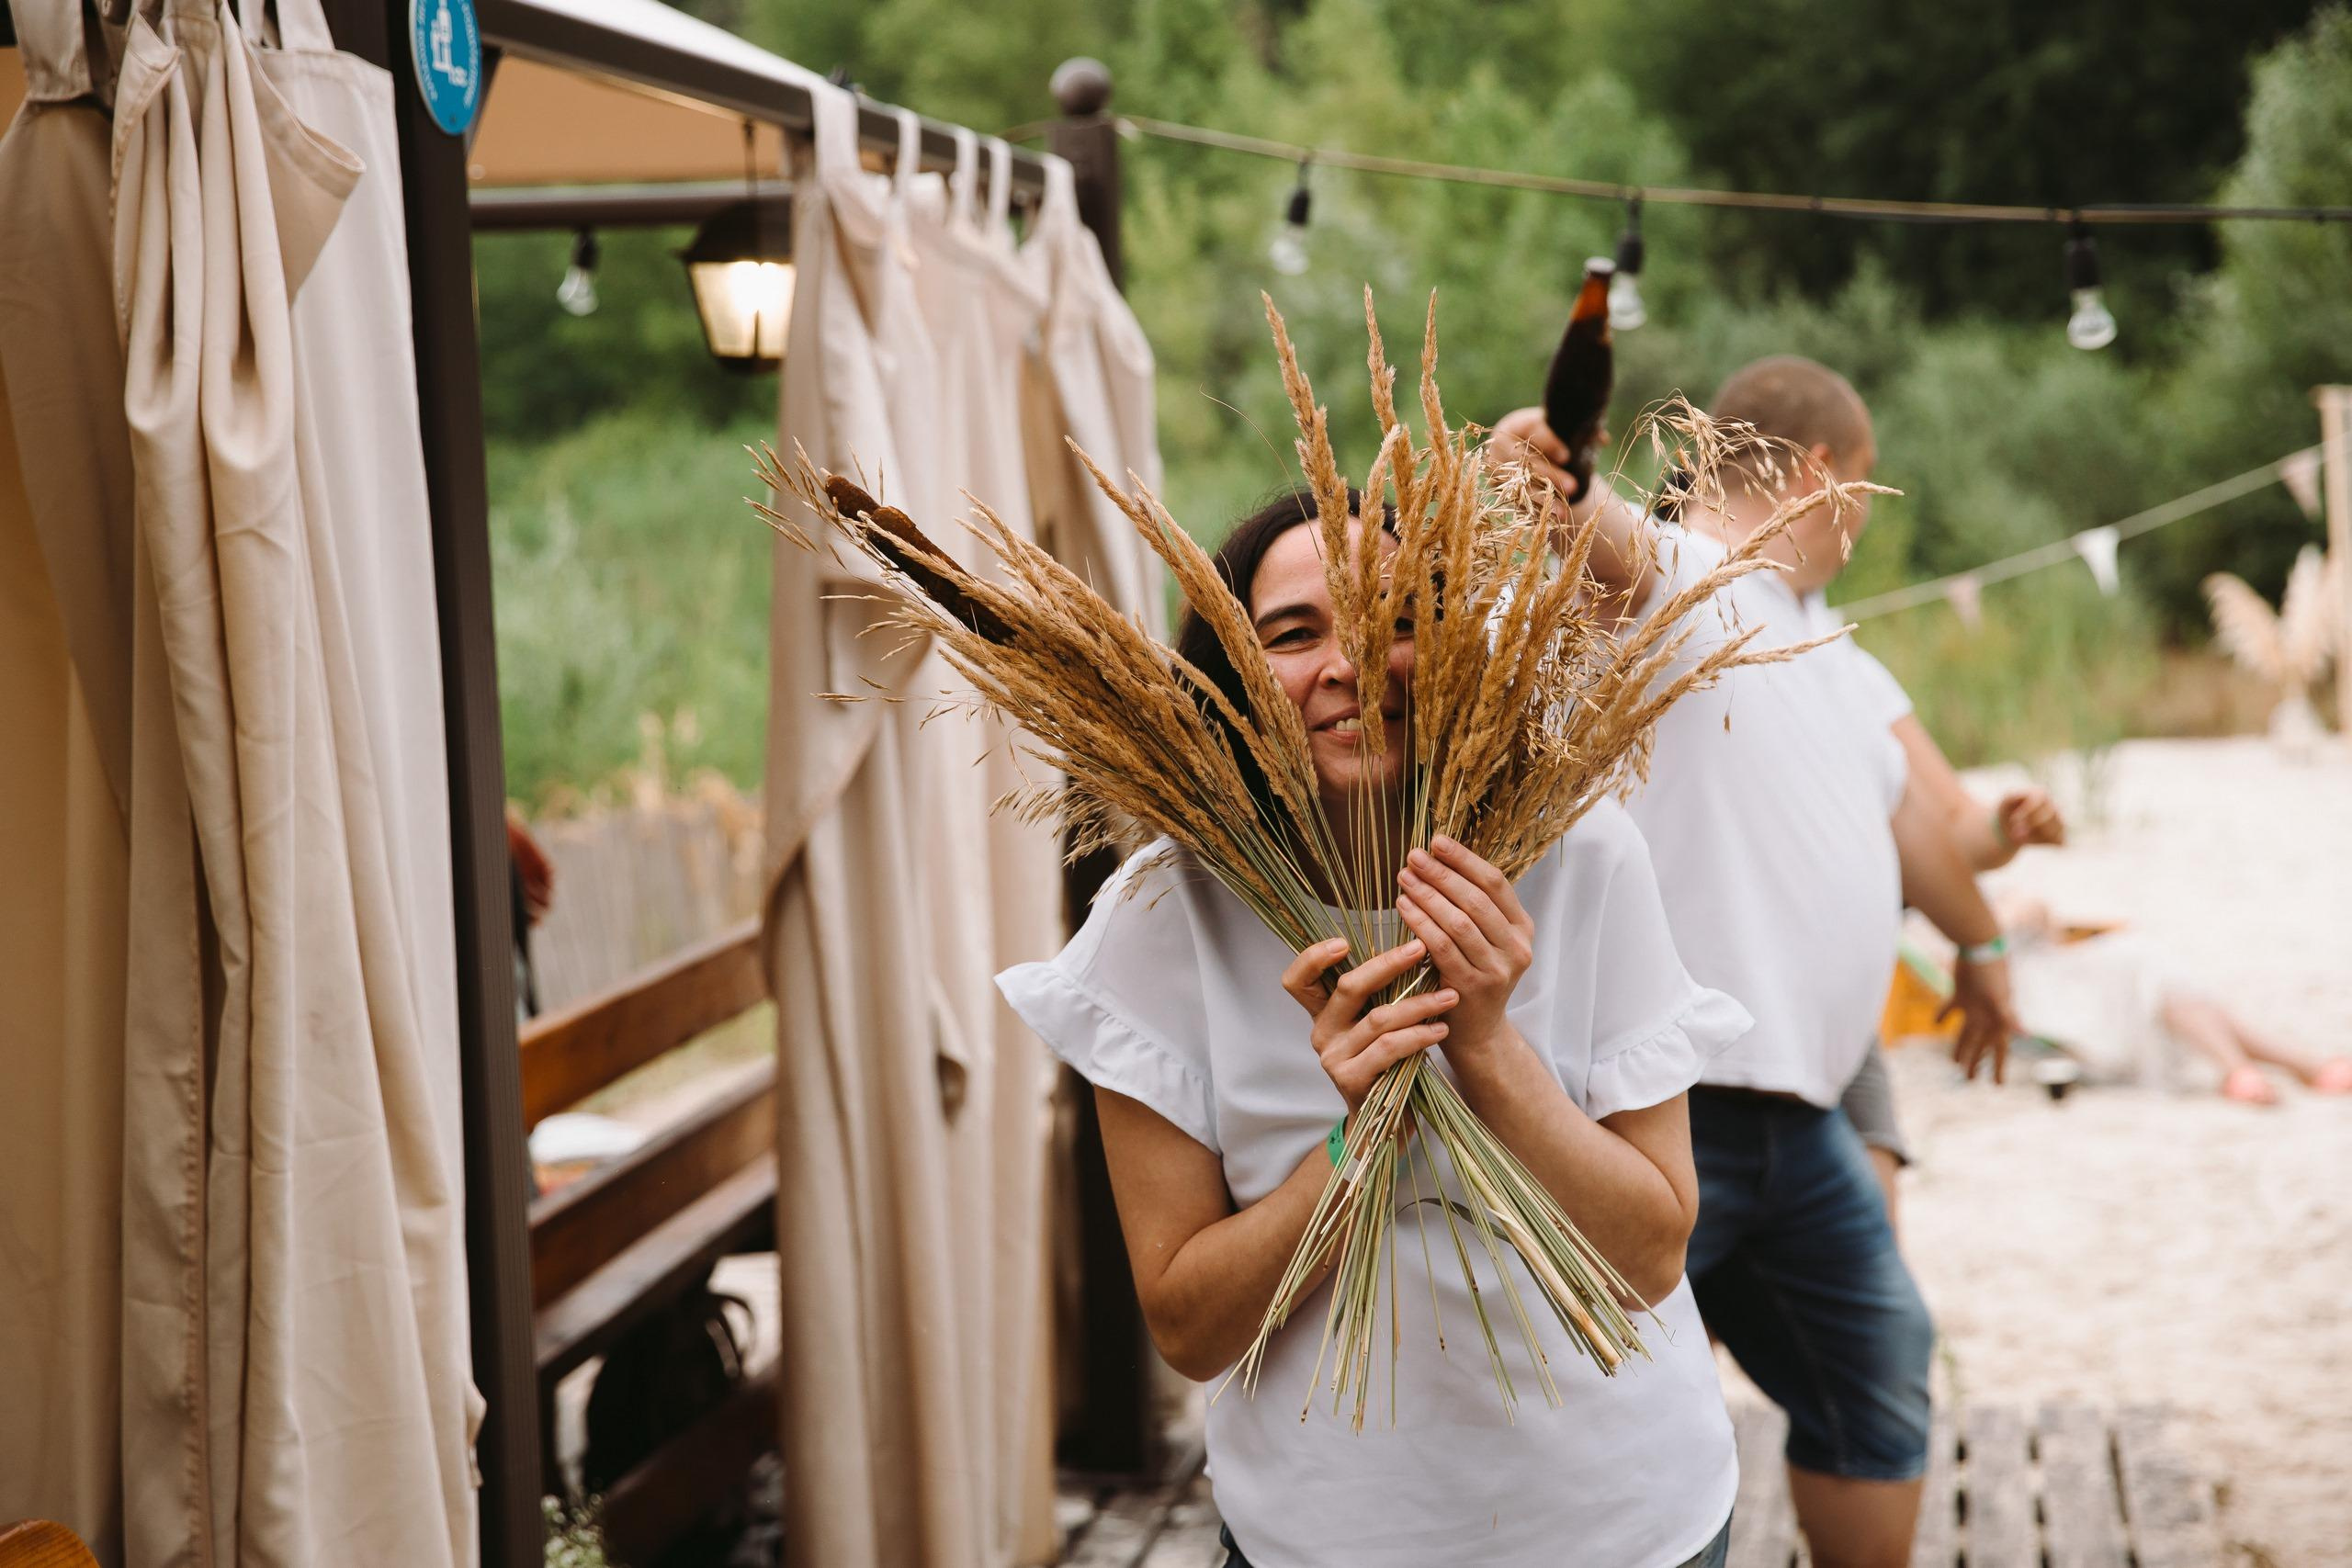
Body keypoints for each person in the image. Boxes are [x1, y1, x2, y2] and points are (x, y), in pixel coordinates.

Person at [999, 491, 1751, 1568]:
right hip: (1319, 1538)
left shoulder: (1580, 855)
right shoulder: (1166, 911)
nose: (1349, 662)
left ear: (1452, 646)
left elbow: (1645, 1257)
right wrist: (1355, 1142)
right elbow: (1189, 1328)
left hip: (1626, 1528)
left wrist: (1487, 1047)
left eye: (1395, 619)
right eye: (1294, 634)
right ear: (1235, 673)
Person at [1494, 355, 2022, 1568]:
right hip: (1660, 1117)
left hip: (1810, 1115)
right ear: (1826, 471)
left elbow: (1921, 838)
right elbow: (1604, 538)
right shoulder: (1693, 576)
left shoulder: (1828, 648)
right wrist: (1553, 469)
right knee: (1575, 1410)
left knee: (1877, 1377)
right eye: (1869, 482)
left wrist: (1983, 947)